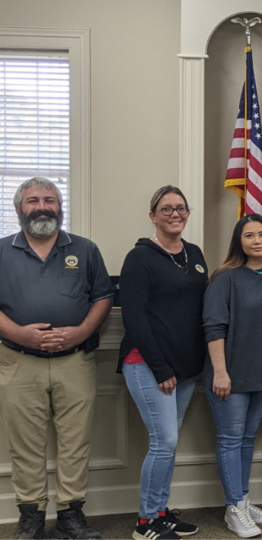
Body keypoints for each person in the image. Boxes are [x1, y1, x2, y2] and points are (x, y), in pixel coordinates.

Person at [0, 178, 113, 540]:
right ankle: (30, 514)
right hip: (18, 360)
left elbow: (102, 298)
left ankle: (71, 513)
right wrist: (18, 333)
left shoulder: (84, 249)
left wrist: (80, 332)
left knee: (75, 441)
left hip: (75, 360)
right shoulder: (2, 250)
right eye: (33, 200)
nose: (43, 206)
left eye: (50, 199)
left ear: (60, 207)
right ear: (19, 208)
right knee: (25, 441)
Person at [119, 185, 207, 540]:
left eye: (181, 208)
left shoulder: (195, 253)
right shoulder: (138, 258)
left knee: (168, 443)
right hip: (148, 364)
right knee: (163, 441)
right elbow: (135, 319)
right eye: (166, 209)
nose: (175, 214)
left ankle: (160, 511)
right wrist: (161, 368)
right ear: (153, 215)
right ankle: (145, 523)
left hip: (185, 368)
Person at [203, 214, 262, 537]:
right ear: (239, 241)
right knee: (230, 439)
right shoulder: (224, 277)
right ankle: (233, 508)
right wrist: (221, 373)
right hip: (230, 376)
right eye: (249, 235)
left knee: (247, 439)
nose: (257, 240)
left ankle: (243, 498)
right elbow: (213, 326)